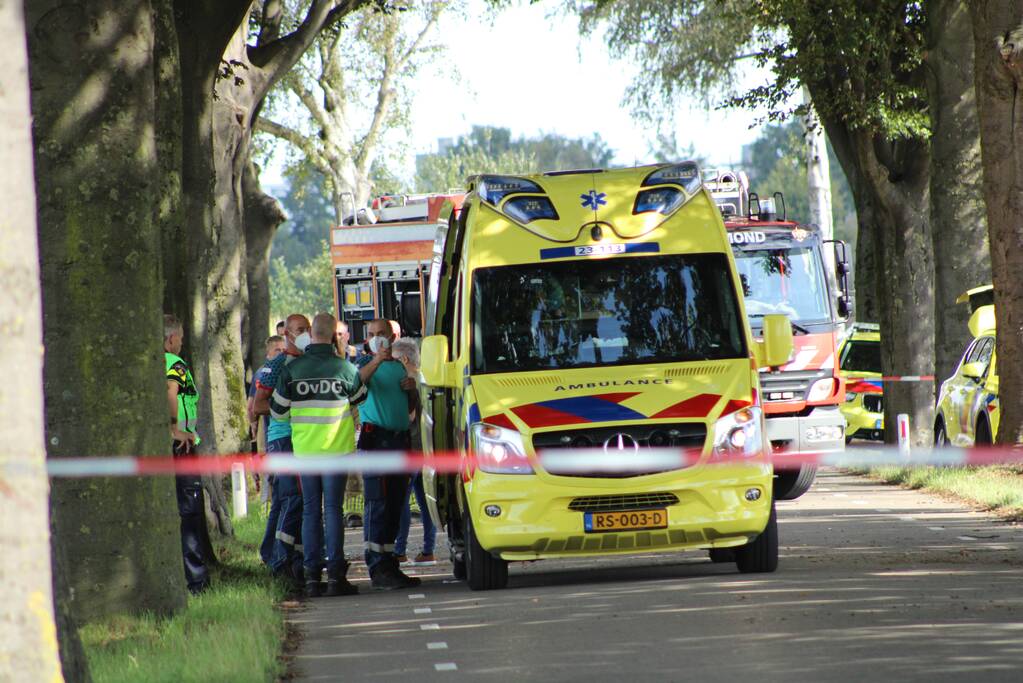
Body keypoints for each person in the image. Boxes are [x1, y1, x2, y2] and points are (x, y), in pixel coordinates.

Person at [270, 313, 367, 598]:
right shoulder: (345, 368)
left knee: (311, 511)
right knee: (333, 510)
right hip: (336, 451)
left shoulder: (293, 369)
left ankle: (312, 577)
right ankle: (336, 575)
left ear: (311, 333)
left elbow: (278, 413)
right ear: (334, 335)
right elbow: (360, 399)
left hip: (306, 452)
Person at [357, 319, 422, 590]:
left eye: (381, 334)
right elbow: (357, 384)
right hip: (376, 442)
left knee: (396, 505)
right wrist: (378, 360)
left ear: (392, 337)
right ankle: (376, 564)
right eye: (371, 335)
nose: (376, 339)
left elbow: (412, 408)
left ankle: (390, 562)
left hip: (399, 441)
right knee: (378, 504)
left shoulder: (399, 368)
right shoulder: (362, 366)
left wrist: (411, 390)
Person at [252, 314, 310, 582]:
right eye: (299, 330)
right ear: (286, 333)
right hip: (283, 440)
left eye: (307, 329)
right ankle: (281, 561)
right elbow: (257, 407)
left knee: (290, 501)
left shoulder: (309, 362)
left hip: (305, 440)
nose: (304, 334)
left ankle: (290, 559)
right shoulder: (277, 365)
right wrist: (285, 407)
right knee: (292, 499)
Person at [164, 314, 211, 594]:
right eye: (180, 337)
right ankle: (196, 582)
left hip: (180, 445)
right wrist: (174, 430)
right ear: (171, 338)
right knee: (190, 512)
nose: (182, 342)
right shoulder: (174, 364)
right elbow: (171, 393)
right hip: (181, 447)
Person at [390, 338, 436, 565]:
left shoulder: (407, 382)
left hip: (411, 448)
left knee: (402, 501)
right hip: (427, 450)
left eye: (395, 359)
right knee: (425, 501)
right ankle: (428, 549)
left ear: (405, 359)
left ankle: (399, 549)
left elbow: (409, 417)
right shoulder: (429, 379)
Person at [249, 334, 286, 564]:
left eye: (284, 349)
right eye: (277, 351)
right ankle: (271, 551)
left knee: (284, 498)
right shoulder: (265, 373)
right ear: (268, 354)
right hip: (275, 440)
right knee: (277, 496)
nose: (281, 354)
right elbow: (254, 406)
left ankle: (275, 551)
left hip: (285, 441)